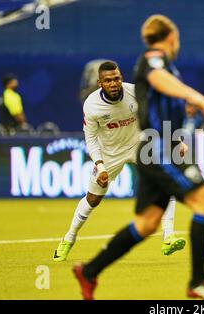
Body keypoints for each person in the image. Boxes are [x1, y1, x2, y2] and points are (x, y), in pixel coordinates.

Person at [72, 14, 204, 300]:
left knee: (146, 224)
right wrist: (197, 98)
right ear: (172, 37)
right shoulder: (154, 58)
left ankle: (90, 271)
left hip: (157, 145)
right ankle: (197, 283)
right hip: (158, 147)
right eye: (177, 38)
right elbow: (158, 79)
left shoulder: (164, 64)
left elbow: (165, 92)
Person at [53, 61, 186, 262]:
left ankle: (168, 237)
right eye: (108, 80)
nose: (113, 83)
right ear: (100, 83)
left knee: (165, 180)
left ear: (121, 78)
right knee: (93, 199)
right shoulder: (92, 105)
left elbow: (157, 114)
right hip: (110, 153)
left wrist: (177, 140)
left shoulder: (134, 93)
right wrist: (100, 165)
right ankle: (68, 238)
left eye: (116, 78)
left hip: (139, 143)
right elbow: (90, 138)